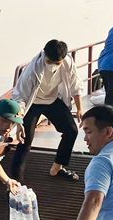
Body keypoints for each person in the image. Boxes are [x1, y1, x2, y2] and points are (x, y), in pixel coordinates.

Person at [10, 40, 84, 182]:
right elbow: (20, 97)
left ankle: (57, 167)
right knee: (25, 140)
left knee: (71, 130)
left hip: (52, 100)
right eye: (50, 62)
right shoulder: (32, 70)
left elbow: (76, 84)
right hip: (33, 102)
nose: (53, 66)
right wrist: (19, 123)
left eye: (57, 63)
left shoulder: (67, 62)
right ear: (44, 54)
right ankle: (15, 182)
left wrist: (80, 108)